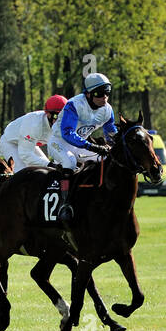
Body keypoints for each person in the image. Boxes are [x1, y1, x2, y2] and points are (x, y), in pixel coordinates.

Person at [47, 73, 118, 221]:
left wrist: (116, 146)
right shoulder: (75, 105)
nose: (104, 97)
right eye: (99, 93)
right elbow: (67, 133)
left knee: (106, 159)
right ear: (88, 94)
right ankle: (65, 204)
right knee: (69, 162)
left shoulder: (107, 110)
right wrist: (91, 146)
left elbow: (111, 133)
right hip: (59, 142)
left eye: (107, 92)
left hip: (80, 144)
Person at [0, 94, 67, 168]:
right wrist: (50, 164)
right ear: (47, 114)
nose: (60, 120)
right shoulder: (34, 125)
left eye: (64, 116)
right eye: (56, 116)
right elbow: (25, 154)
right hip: (10, 143)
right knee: (23, 172)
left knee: (48, 170)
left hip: (28, 144)